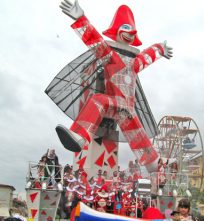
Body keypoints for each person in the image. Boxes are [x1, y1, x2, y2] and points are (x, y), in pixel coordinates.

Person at [56, 0, 173, 173]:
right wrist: (81, 18)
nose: (130, 33)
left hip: (127, 109)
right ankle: (80, 136)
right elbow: (95, 41)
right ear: (117, 31)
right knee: (98, 101)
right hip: (115, 102)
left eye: (133, 31)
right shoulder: (110, 57)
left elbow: (147, 55)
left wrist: (159, 49)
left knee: (138, 135)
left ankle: (154, 164)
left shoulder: (134, 63)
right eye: (126, 29)